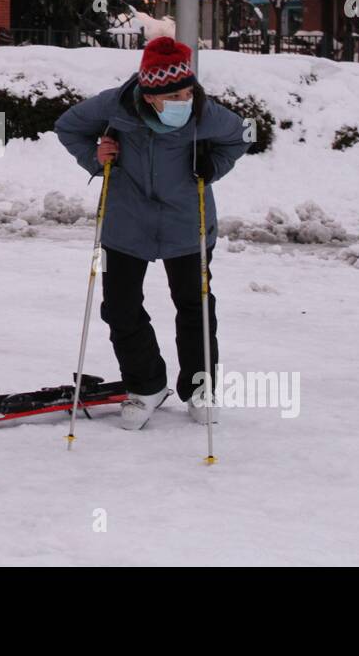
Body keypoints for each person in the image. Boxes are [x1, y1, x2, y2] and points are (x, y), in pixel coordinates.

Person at [55, 37, 249, 430]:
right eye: (172, 95)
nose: (182, 100)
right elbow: (69, 126)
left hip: (186, 224)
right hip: (126, 224)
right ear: (148, 95)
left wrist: (213, 165)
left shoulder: (204, 113)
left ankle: (199, 388)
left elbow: (241, 135)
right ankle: (146, 385)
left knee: (195, 307)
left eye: (186, 91)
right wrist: (97, 156)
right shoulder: (115, 106)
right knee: (120, 307)